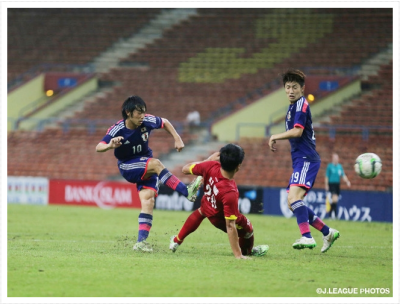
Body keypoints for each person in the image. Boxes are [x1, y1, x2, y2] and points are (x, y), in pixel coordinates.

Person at [96, 95, 202, 252]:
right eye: (138, 112)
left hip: (145, 163)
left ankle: (140, 242)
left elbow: (164, 122)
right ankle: (186, 191)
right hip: (128, 166)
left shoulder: (147, 121)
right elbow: (99, 146)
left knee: (148, 200)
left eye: (144, 112)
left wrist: (177, 138)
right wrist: (110, 145)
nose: (142, 116)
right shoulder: (118, 129)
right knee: (156, 164)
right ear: (128, 112)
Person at [268, 69, 340, 253]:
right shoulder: (293, 107)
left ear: (302, 88)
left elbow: (298, 131)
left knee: (294, 199)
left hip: (307, 158)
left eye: (294, 87)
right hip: (301, 159)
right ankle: (327, 232)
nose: (290, 91)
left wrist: (276, 135)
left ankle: (307, 237)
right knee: (293, 203)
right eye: (287, 87)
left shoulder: (301, 105)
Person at [169, 143, 269, 259]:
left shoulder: (210, 166)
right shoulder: (230, 192)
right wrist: (238, 256)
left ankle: (176, 240)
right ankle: (246, 252)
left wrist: (208, 159)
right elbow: (230, 225)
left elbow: (185, 169)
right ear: (238, 166)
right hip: (219, 217)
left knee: (200, 212)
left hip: (207, 205)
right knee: (248, 230)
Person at [325, 153, 351, 219]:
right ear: (333, 159)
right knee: (334, 199)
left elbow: (343, 175)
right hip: (332, 184)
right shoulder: (330, 166)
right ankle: (335, 216)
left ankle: (331, 216)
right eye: (335, 158)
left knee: (335, 201)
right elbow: (327, 176)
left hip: (337, 185)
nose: (336, 159)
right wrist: (326, 185)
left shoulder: (340, 166)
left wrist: (347, 181)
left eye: (337, 158)